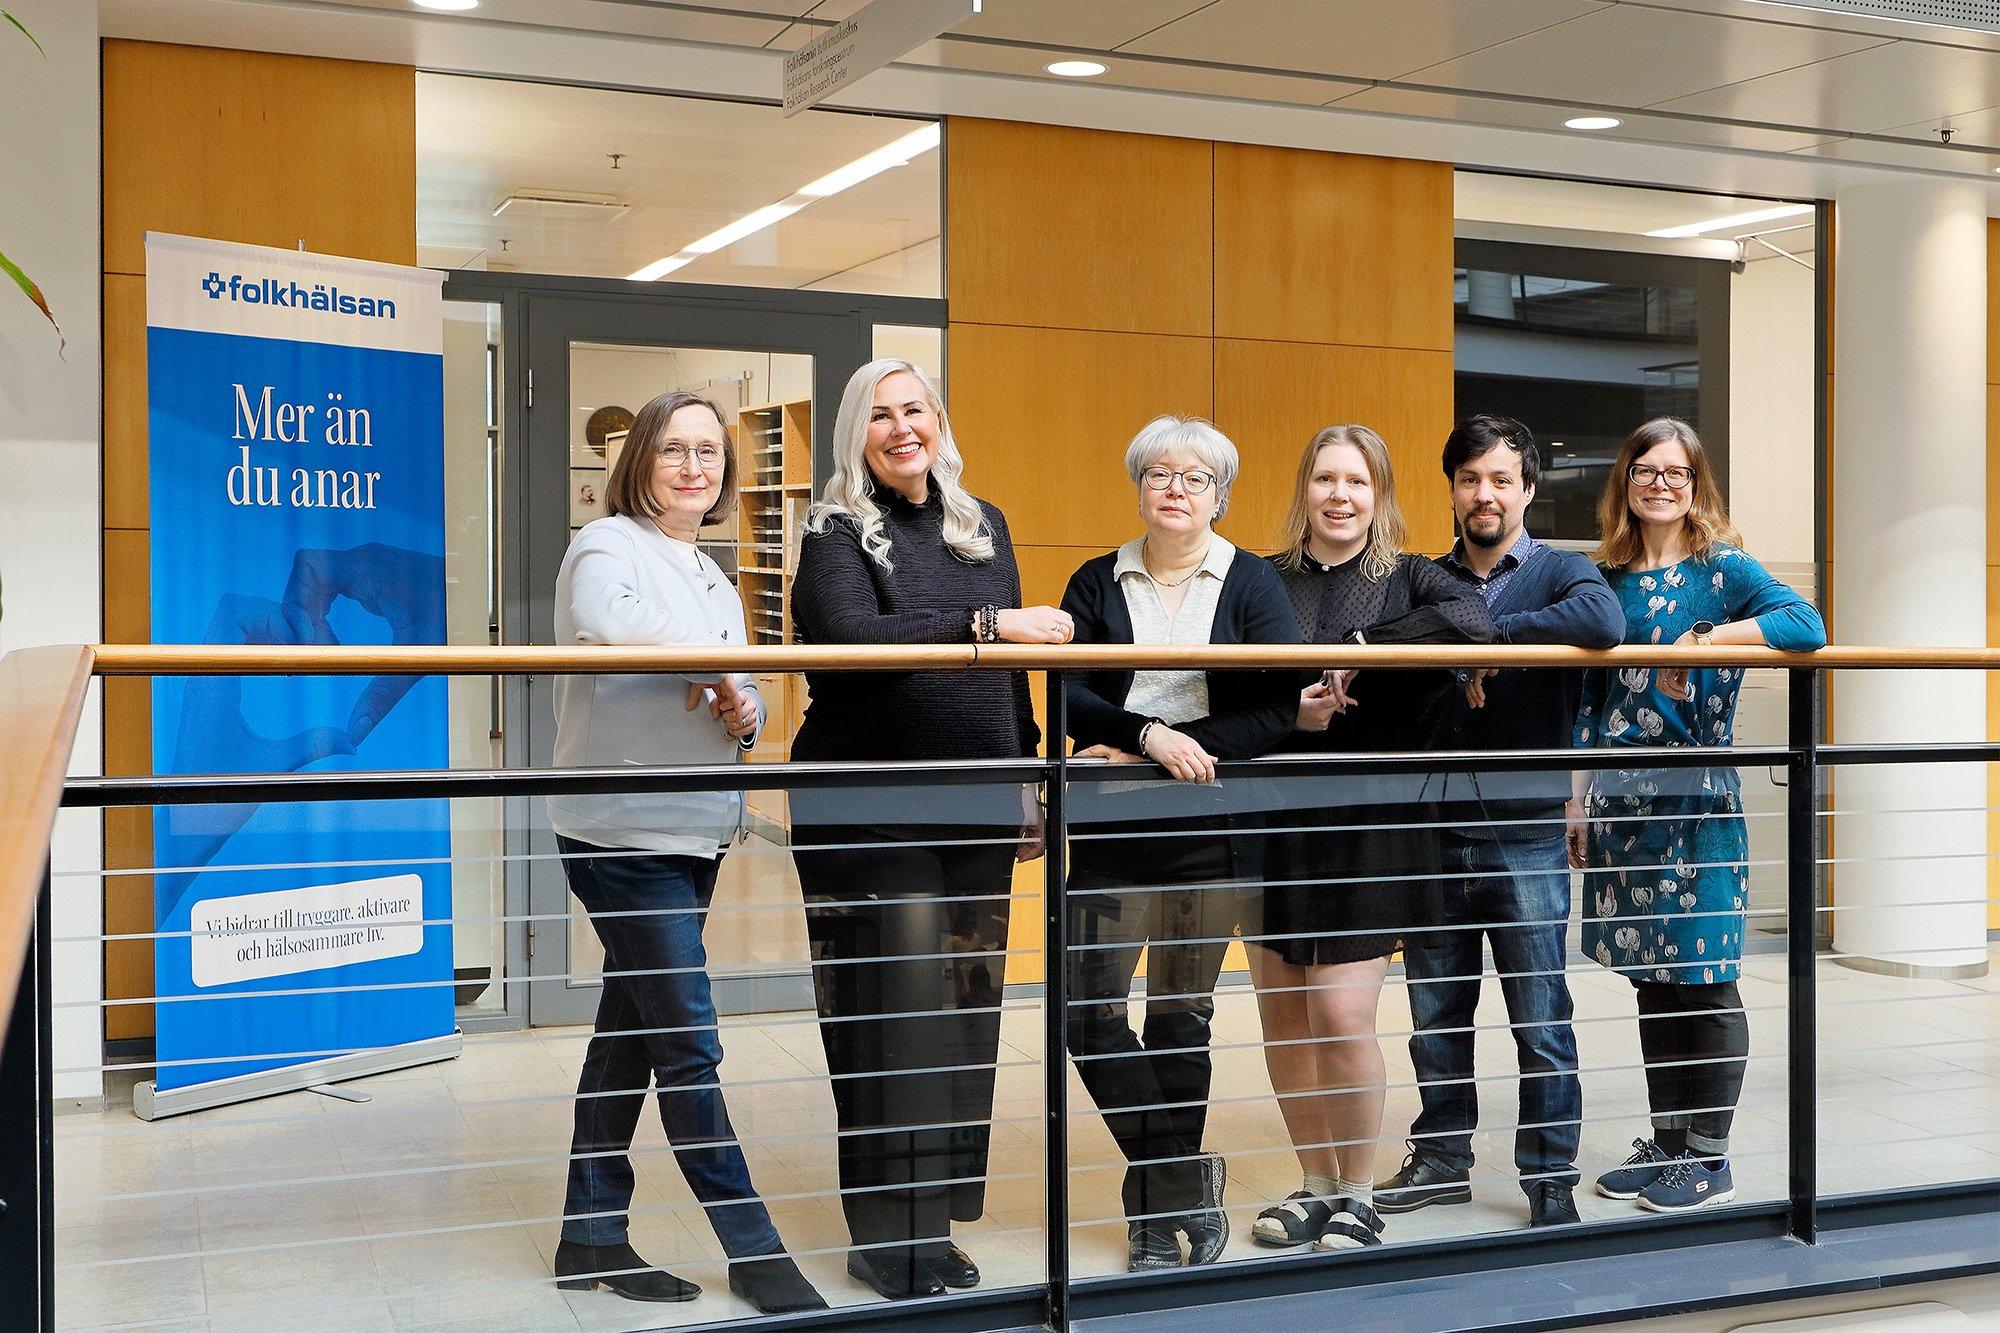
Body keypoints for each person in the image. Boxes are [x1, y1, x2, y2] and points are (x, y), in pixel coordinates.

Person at [789, 358, 1071, 1301]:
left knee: (963, 1012)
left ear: (940, 419)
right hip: (870, 808)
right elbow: (852, 639)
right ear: (853, 433)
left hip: (979, 803)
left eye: (915, 409)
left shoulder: (978, 521)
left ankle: (934, 1220)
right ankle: (885, 1231)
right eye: (880, 415)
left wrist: (1030, 770)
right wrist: (992, 620)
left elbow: (1011, 675)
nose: (901, 427)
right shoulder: (833, 530)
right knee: (888, 1017)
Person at [548, 389, 825, 1314]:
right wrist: (717, 664)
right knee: (689, 1042)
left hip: (695, 827)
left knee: (630, 1031)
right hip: (620, 833)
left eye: (709, 451)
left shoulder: (710, 569)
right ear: (642, 461)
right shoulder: (605, 546)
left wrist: (745, 706)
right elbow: (615, 628)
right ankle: (753, 1248)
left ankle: (588, 1232)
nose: (694, 466)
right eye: (675, 449)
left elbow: (737, 685)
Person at [1058, 415, 1302, 1271]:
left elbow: (1277, 706)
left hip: (1210, 830)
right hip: (1113, 829)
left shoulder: (1253, 583)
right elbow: (1068, 695)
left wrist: (1171, 744)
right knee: (1084, 1012)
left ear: (1219, 496)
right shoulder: (1095, 580)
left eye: (1195, 478)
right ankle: (1181, 1180)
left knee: (1178, 1017)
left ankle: (1155, 1217)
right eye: (1159, 473)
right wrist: (1148, 732)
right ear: (1138, 486)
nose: (1175, 488)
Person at [1247, 425, 1496, 1253]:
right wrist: (1293, 709)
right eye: (1325, 478)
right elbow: (1229, 677)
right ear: (1304, 489)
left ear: (1380, 494)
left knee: (1341, 1012)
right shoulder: (1264, 578)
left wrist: (1363, 648)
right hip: (1276, 817)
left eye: (1357, 480)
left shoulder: (1414, 577)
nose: (1340, 495)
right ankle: (1315, 1182)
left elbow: (1477, 627)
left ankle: (1358, 1190)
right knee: (1285, 1016)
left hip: (1373, 826)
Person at [1379, 413, 1624, 1228]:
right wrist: (1457, 626)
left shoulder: (1561, 572)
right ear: (1451, 488)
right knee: (1433, 1011)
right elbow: (1387, 638)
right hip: (1435, 828)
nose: (1484, 493)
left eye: (1501, 479)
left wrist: (1488, 635)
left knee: (1540, 1014)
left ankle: (1549, 1175)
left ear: (1527, 489)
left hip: (1524, 827)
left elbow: (1602, 626)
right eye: (1469, 478)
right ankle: (1443, 1157)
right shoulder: (1418, 574)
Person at [1574, 418, 1823, 1213]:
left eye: (1676, 473)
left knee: (1706, 979)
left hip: (1699, 802)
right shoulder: (1603, 577)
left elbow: (1805, 625)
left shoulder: (1723, 570)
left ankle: (1710, 1159)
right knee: (1656, 980)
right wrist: (1575, 799)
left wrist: (1707, 637)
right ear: (1625, 481)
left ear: (1696, 485)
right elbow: (1587, 701)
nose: (1659, 483)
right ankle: (1670, 1143)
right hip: (1622, 804)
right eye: (1644, 468)